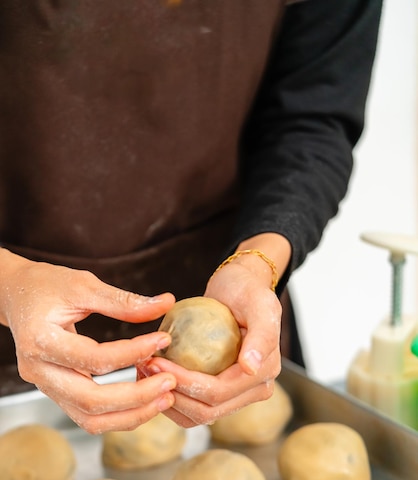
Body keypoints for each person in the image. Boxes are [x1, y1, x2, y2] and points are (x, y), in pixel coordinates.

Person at [0, 0, 382, 433]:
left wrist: (258, 262)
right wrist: (8, 283)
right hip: (14, 313)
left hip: (224, 290)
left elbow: (312, 118)